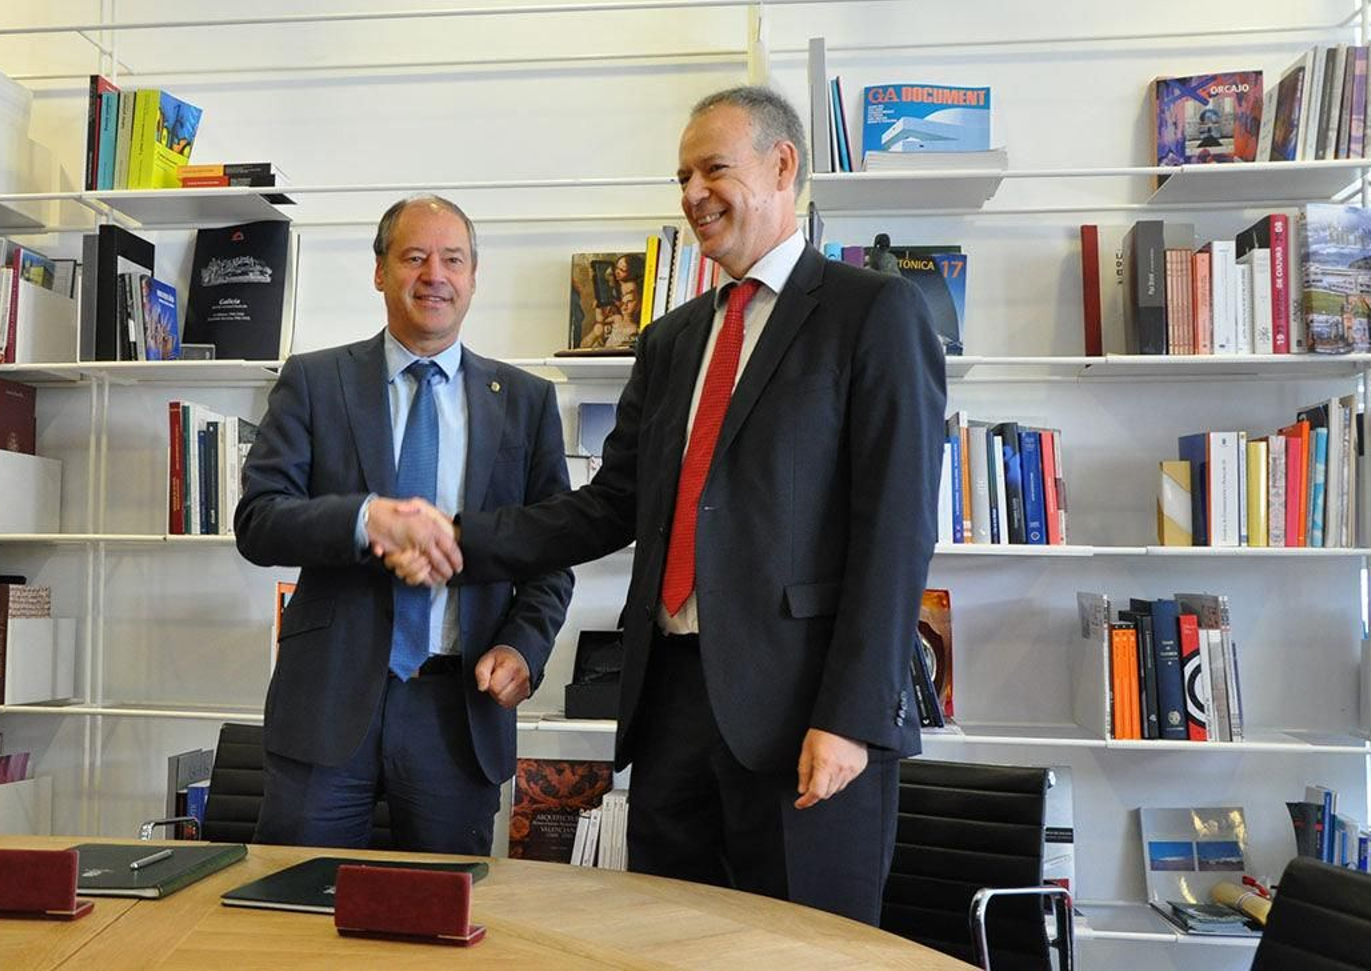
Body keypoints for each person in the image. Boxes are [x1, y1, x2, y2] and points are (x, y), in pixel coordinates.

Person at [383, 86, 945, 922]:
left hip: (806, 719)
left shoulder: (874, 312)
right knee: (671, 938)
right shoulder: (672, 339)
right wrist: (458, 539)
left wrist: (853, 718)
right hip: (672, 707)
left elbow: (896, 530)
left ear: (783, 164)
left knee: (798, 949)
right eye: (681, 174)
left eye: (714, 168)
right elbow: (607, 507)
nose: (690, 194)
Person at [233, 195, 573, 854]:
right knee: (295, 917)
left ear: (475, 275)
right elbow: (259, 520)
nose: (434, 275)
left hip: (457, 709)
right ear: (380, 271)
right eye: (414, 257)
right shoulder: (313, 380)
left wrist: (523, 646)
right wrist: (366, 520)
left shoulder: (527, 403)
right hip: (328, 702)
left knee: (440, 928)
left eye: (452, 259)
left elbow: (548, 554)